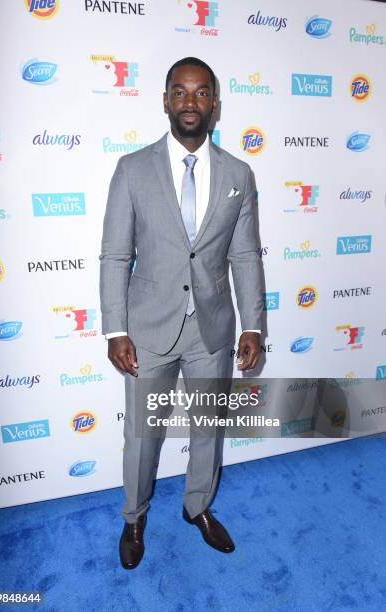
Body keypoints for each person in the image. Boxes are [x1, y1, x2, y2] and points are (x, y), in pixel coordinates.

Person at [99, 57, 264, 569]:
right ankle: (134, 516)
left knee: (207, 428)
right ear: (165, 100)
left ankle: (197, 507)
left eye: (200, 93)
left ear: (215, 105)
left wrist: (254, 323)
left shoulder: (239, 173)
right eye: (180, 92)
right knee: (143, 434)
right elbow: (114, 254)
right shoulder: (132, 168)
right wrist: (116, 328)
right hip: (147, 329)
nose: (190, 102)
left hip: (212, 328)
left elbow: (244, 254)